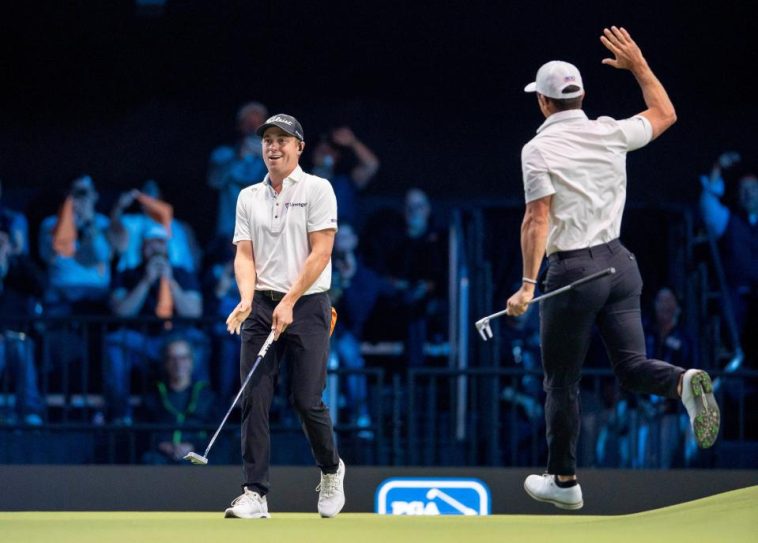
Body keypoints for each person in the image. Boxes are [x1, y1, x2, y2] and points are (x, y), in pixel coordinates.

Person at [505, 27, 719, 510]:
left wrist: (525, 285)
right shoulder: (609, 131)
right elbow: (666, 114)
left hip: (573, 274)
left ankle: (564, 481)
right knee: (632, 367)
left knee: (562, 381)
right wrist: (640, 64)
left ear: (542, 103)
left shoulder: (537, 150)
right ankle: (682, 380)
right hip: (620, 265)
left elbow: (536, 219)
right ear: (582, 95)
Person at [223, 114, 344, 519]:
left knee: (306, 399)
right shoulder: (247, 196)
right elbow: (244, 253)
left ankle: (330, 469)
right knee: (253, 397)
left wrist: (290, 300)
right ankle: (254, 492)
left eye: (282, 140)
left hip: (308, 303)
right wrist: (245, 298)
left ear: (299, 147)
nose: (273, 147)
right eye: (268, 141)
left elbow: (321, 252)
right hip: (261, 304)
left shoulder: (317, 189)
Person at [104, 224, 206, 424]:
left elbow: (194, 312)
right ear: (141, 248)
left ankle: (197, 412)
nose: (155, 249)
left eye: (160, 243)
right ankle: (121, 414)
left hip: (175, 337)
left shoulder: (182, 274)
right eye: (150, 244)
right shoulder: (127, 275)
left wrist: (170, 282)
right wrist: (146, 281)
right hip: (140, 339)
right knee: (115, 342)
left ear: (167, 248)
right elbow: (121, 312)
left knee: (198, 340)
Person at [699, 152, 758, 366]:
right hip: (736, 297)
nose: (748, 194)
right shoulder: (729, 220)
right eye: (744, 190)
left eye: (753, 189)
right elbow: (707, 206)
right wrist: (717, 169)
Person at [38, 175, 112, 314]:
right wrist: (67, 220)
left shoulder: (104, 223)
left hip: (98, 297)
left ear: (95, 196)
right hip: (61, 296)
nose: (79, 198)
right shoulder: (51, 224)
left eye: (84, 193)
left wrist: (89, 223)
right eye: (75, 192)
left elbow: (102, 255)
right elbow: (49, 256)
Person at [141, 339, 219, 464]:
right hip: (161, 455)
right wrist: (163, 445)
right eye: (172, 359)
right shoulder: (155, 395)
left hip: (194, 455)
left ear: (192, 361)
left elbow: (217, 434)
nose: (178, 364)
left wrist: (191, 446)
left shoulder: (206, 396)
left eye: (183, 358)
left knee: (206, 463)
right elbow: (143, 431)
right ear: (165, 363)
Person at [109, 179, 201, 273]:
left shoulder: (180, 227)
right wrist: (119, 206)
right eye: (146, 195)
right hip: (134, 277)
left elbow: (195, 259)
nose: (151, 201)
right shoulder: (131, 222)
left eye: (154, 195)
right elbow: (118, 243)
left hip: (176, 278)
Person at [208, 101, 269, 241]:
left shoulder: (273, 157)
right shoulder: (223, 154)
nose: (253, 128)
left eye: (257, 124)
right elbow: (214, 181)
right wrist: (237, 156)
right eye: (248, 123)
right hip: (230, 231)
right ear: (239, 126)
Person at [311, 126, 380, 227]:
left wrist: (353, 142)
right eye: (321, 150)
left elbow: (371, 165)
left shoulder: (346, 180)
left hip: (344, 235)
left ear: (337, 156)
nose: (326, 153)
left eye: (330, 151)